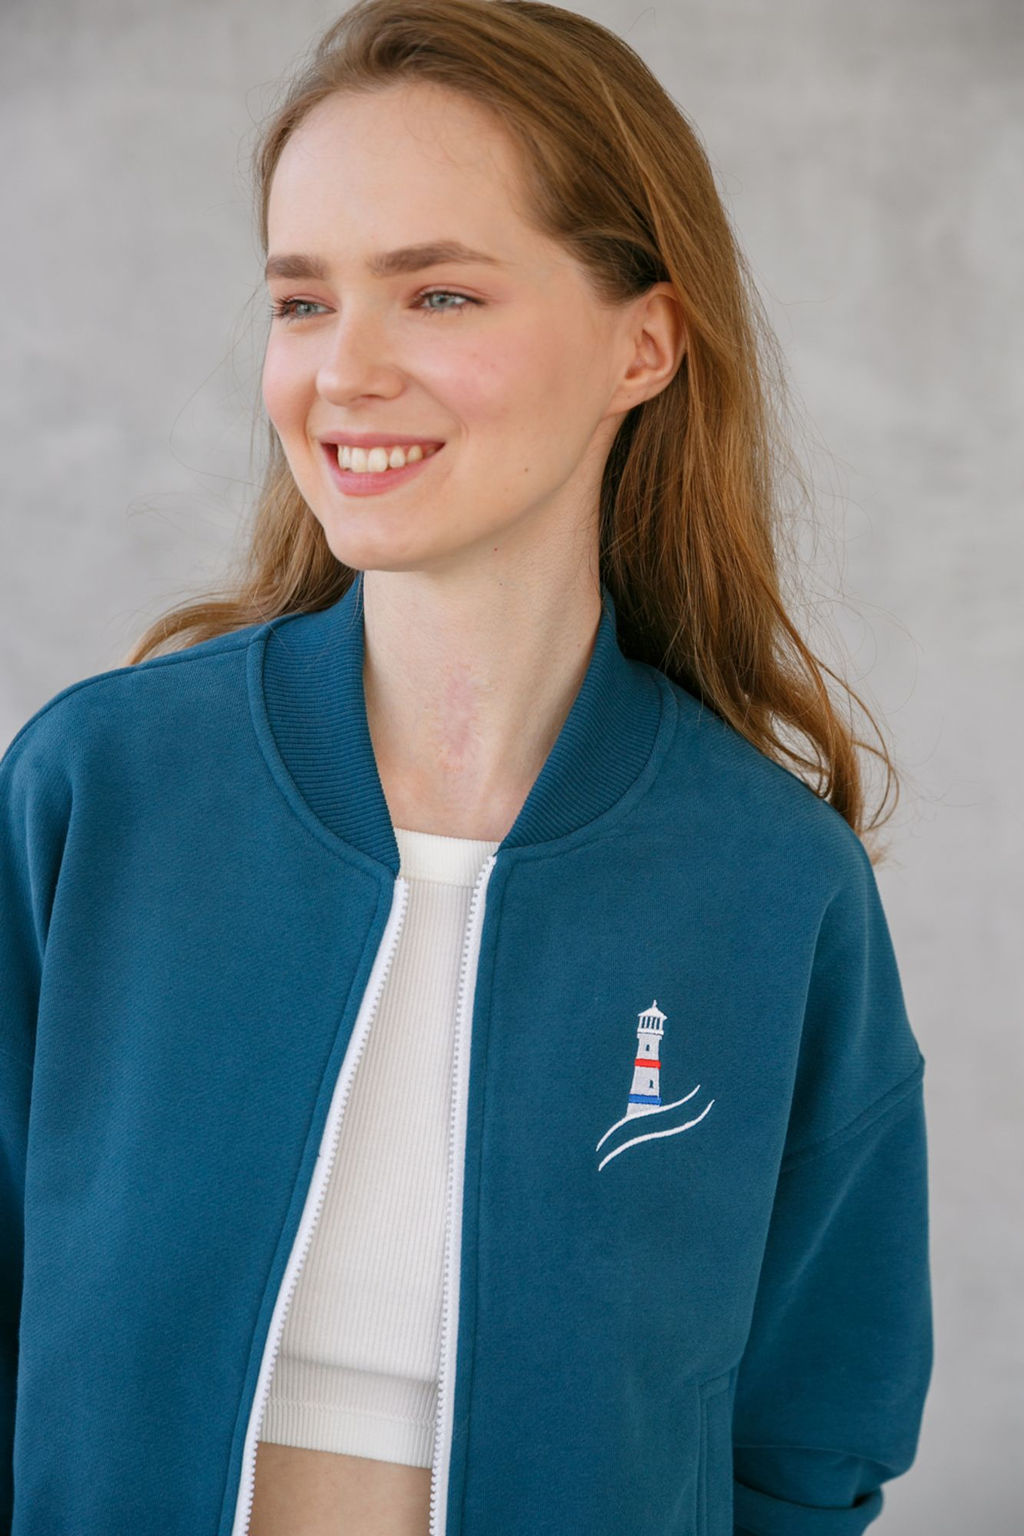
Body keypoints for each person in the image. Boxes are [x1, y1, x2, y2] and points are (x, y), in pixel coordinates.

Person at [0, 1, 933, 1532]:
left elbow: (810, 1446)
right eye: (303, 302)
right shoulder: (99, 796)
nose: (344, 371)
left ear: (643, 343)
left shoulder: (773, 887)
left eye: (437, 293)